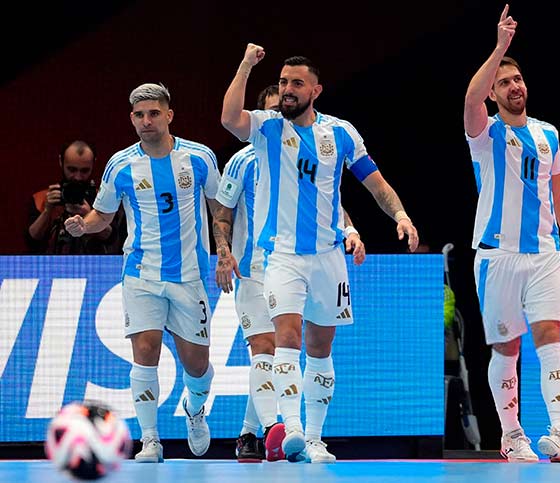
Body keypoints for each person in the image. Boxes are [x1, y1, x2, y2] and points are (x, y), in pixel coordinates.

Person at [220, 44, 419, 463]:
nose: (287, 90)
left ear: (316, 89)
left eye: (296, 84)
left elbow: (375, 183)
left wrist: (400, 215)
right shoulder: (267, 128)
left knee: (321, 347)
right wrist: (244, 67)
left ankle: (313, 437)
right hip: (280, 255)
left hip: (329, 257)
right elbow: (229, 118)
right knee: (286, 337)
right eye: (283, 83)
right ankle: (290, 428)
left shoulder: (341, 133)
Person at [64, 83, 222, 463]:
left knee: (197, 365)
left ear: (169, 115)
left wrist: (227, 252)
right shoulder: (120, 165)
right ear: (132, 119)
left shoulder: (199, 158)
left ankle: (195, 410)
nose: (146, 121)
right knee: (145, 349)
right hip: (141, 273)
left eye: (153, 113)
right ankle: (149, 439)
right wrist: (83, 226)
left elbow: (220, 209)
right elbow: (102, 215)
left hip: (190, 276)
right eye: (139, 115)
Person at [463, 5, 560, 463]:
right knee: (506, 346)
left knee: (549, 337)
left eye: (517, 80)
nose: (514, 86)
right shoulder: (485, 133)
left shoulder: (548, 134)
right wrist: (500, 48)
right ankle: (512, 434)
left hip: (543, 256)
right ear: (494, 94)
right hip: (496, 257)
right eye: (504, 82)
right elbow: (470, 100)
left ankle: (559, 433)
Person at [213, 84, 366, 462]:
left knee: (293, 346)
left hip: (304, 263)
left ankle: (258, 432)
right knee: (266, 347)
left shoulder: (307, 152)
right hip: (252, 268)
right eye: (267, 115)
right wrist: (224, 253)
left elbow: (327, 204)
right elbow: (222, 211)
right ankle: (275, 431)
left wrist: (349, 231)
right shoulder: (242, 160)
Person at [26, 140, 125, 254]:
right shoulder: (42, 198)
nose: (78, 177)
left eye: (84, 170)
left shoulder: (103, 197)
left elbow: (113, 238)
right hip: (51, 266)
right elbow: (31, 240)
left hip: (92, 266)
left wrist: (90, 216)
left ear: (93, 164)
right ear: (61, 161)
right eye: (72, 169)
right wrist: (47, 211)